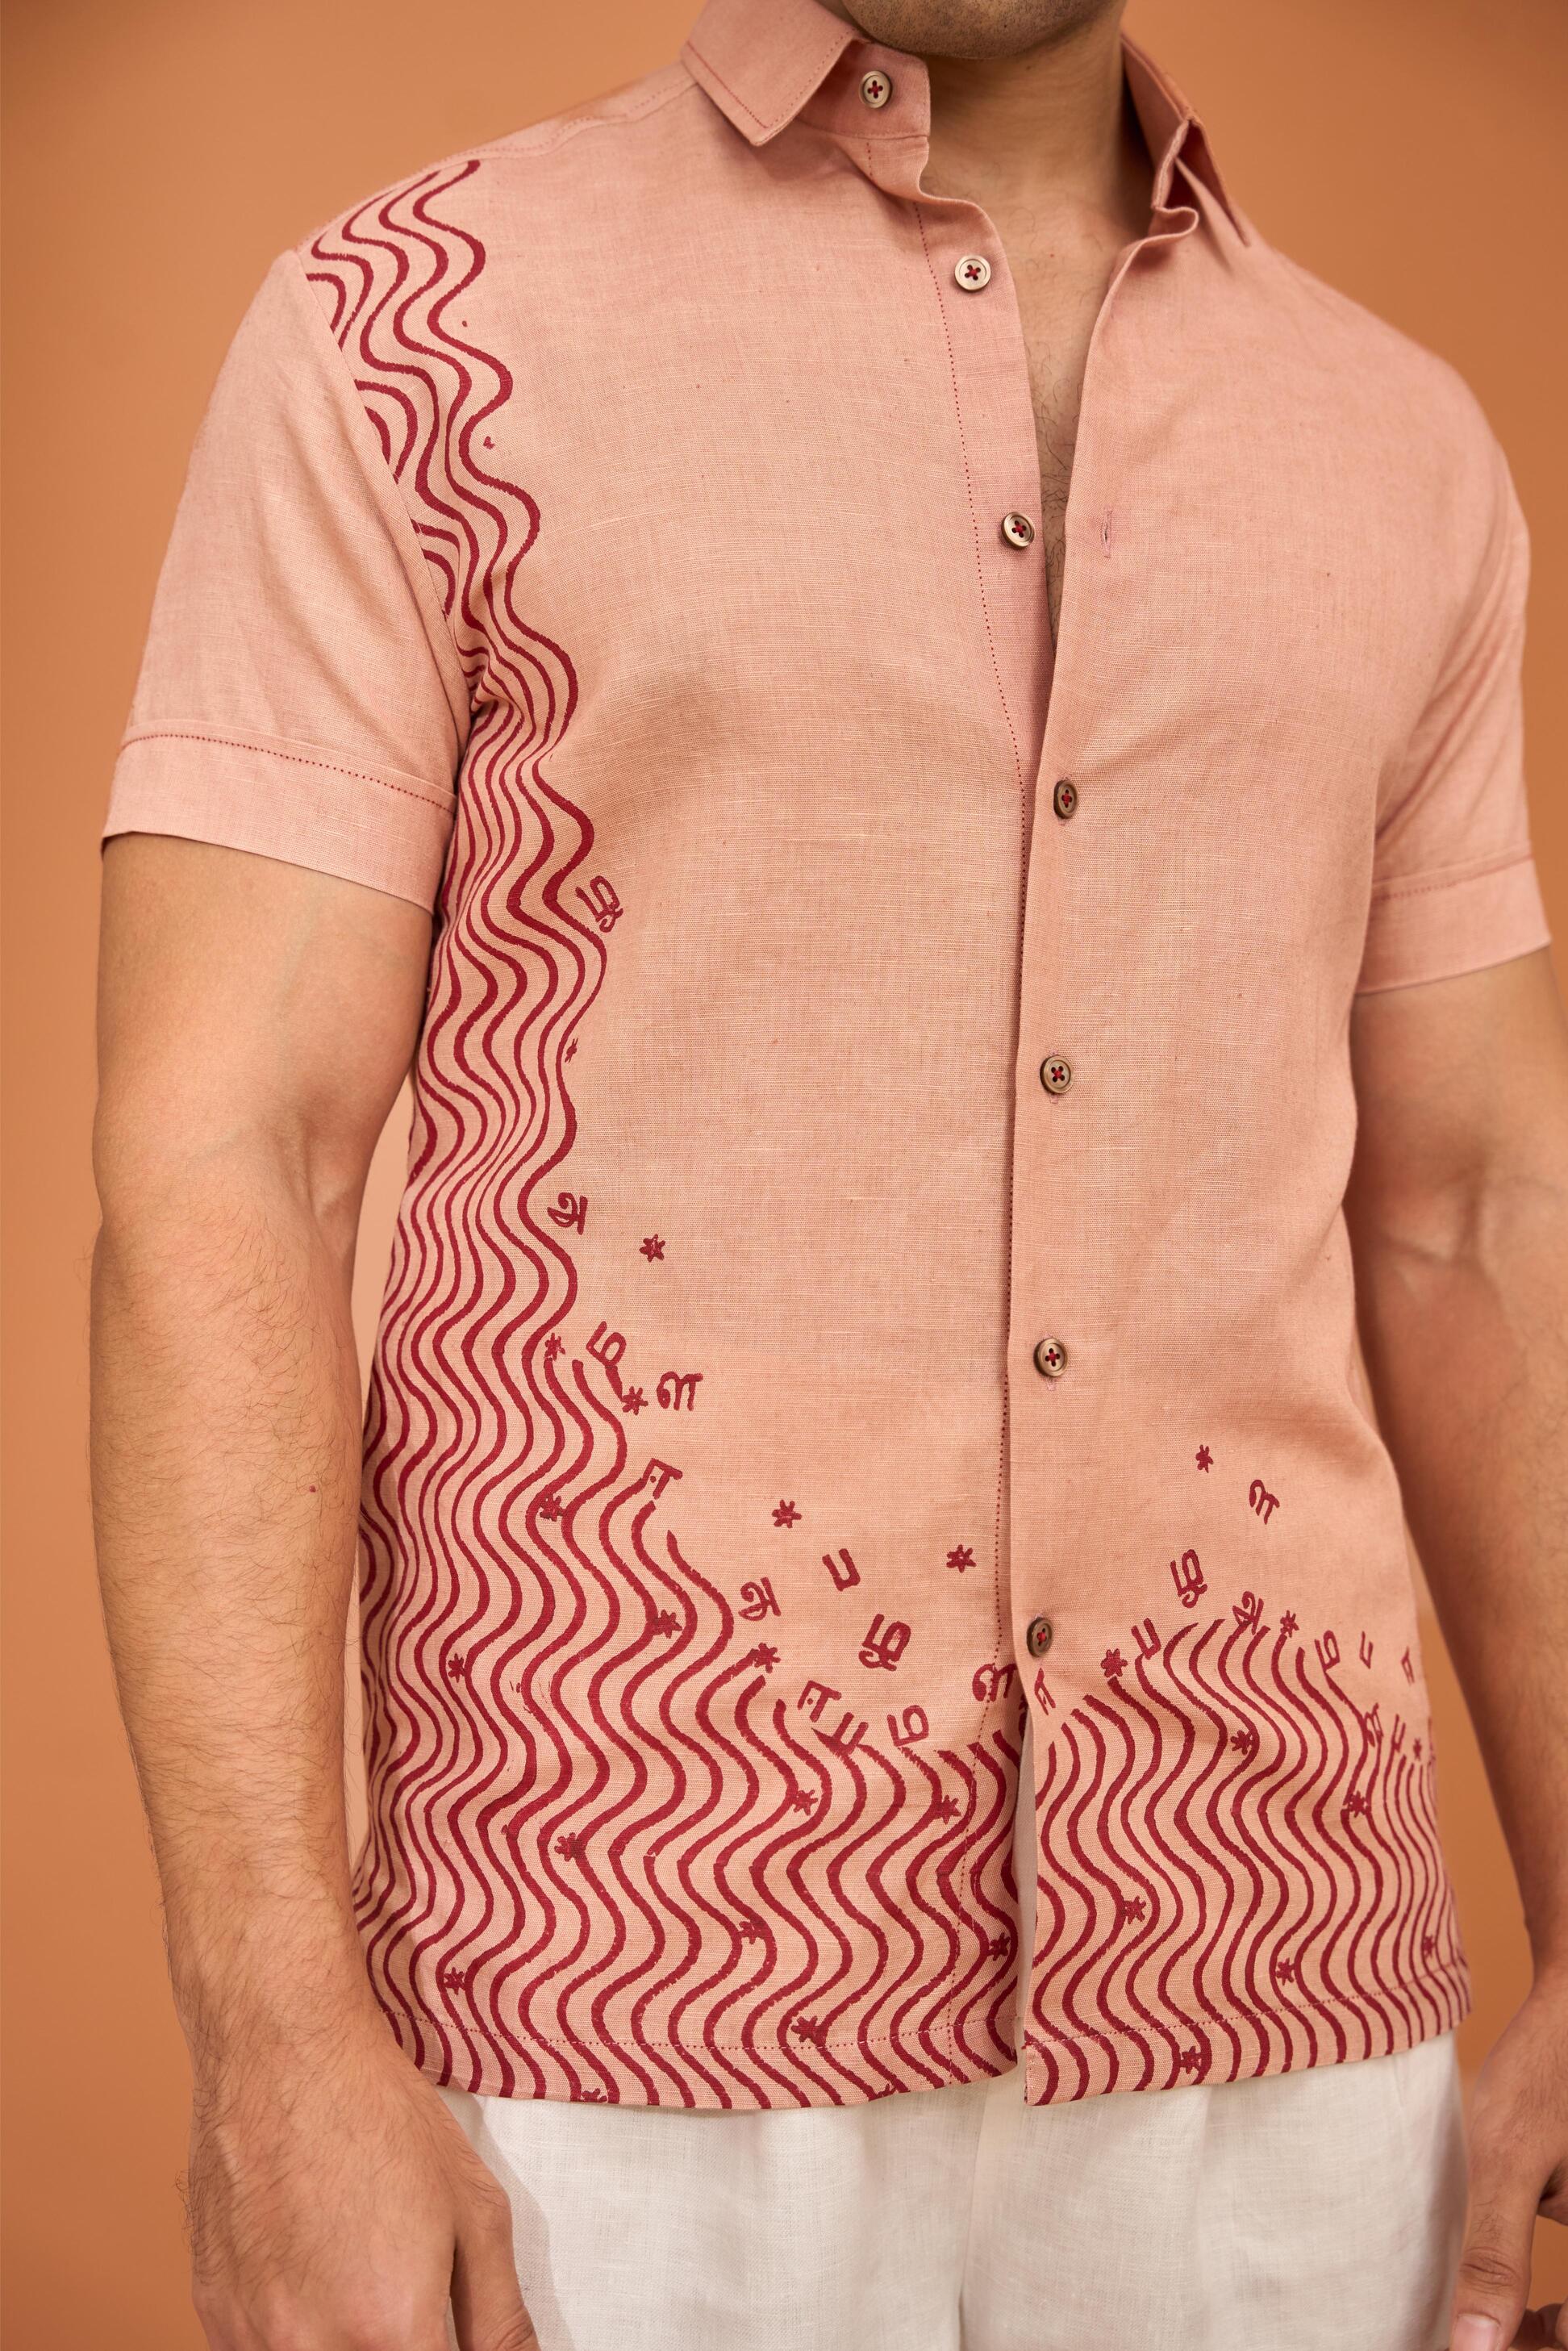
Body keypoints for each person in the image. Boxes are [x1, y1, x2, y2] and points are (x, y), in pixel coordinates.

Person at [90, 0, 1568, 2342]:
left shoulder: (1405, 446)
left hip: (1281, 2008)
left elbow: (1475, 1214)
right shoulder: (412, 331)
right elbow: (230, 1164)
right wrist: (273, 2034)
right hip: (600, 2011)